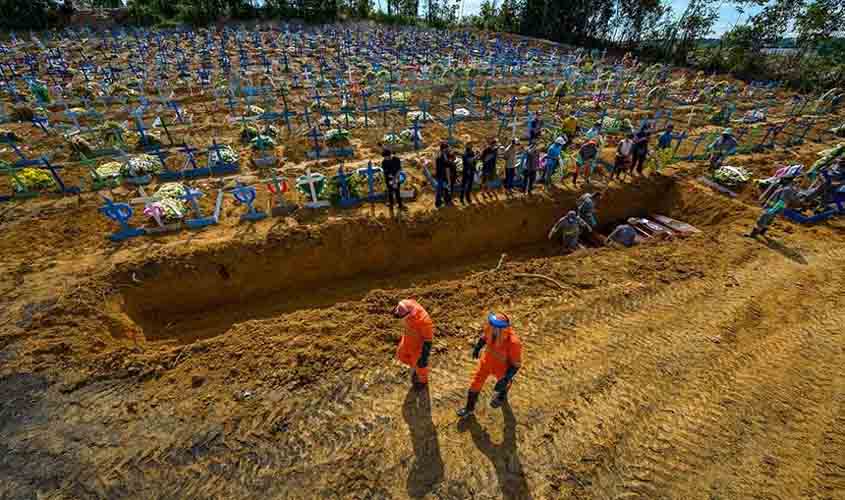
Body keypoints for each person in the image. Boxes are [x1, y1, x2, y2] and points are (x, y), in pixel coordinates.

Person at [457, 312, 522, 417]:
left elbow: (516, 365)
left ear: (502, 329)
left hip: (502, 368)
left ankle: (501, 396)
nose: (491, 327)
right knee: (475, 384)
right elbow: (484, 338)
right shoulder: (490, 328)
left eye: (495, 326)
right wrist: (478, 347)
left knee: (506, 383)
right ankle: (469, 409)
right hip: (486, 362)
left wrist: (505, 379)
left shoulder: (513, 343)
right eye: (491, 323)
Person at [747, 167, 802, 238]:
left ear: (787, 180)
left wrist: (773, 210)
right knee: (769, 220)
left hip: (774, 208)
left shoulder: (787, 189)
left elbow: (782, 201)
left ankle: (753, 234)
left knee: (762, 219)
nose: (781, 180)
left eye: (783, 179)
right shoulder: (784, 186)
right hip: (774, 208)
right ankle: (762, 232)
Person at [393, 299, 434, 388]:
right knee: (401, 355)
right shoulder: (406, 305)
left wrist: (424, 356)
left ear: (409, 314)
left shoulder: (424, 321)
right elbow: (399, 310)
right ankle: (415, 367)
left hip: (418, 346)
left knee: (420, 366)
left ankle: (423, 381)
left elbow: (428, 340)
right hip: (408, 339)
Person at [434, 142, 453, 207]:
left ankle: (440, 202)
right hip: (442, 176)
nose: (448, 149)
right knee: (443, 190)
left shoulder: (443, 156)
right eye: (447, 148)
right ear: (444, 149)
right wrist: (448, 179)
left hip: (440, 176)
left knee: (441, 190)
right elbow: (446, 169)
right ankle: (440, 203)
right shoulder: (441, 157)